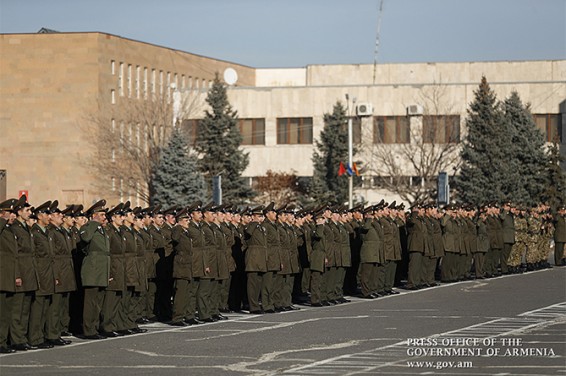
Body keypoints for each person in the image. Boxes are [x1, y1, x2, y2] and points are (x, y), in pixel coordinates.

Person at [80, 200, 110, 340]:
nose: (105, 217)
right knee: (90, 302)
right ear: (94, 215)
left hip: (101, 269)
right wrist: (93, 223)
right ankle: (88, 330)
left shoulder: (102, 230)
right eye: (102, 214)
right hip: (92, 269)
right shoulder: (88, 227)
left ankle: (95, 327)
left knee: (98, 302)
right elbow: (85, 238)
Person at [0, 198, 19, 353]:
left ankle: (3, 341)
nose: (12, 216)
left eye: (13, 213)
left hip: (9, 275)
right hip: (2, 274)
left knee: (6, 311)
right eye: (9, 213)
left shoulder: (9, 230)